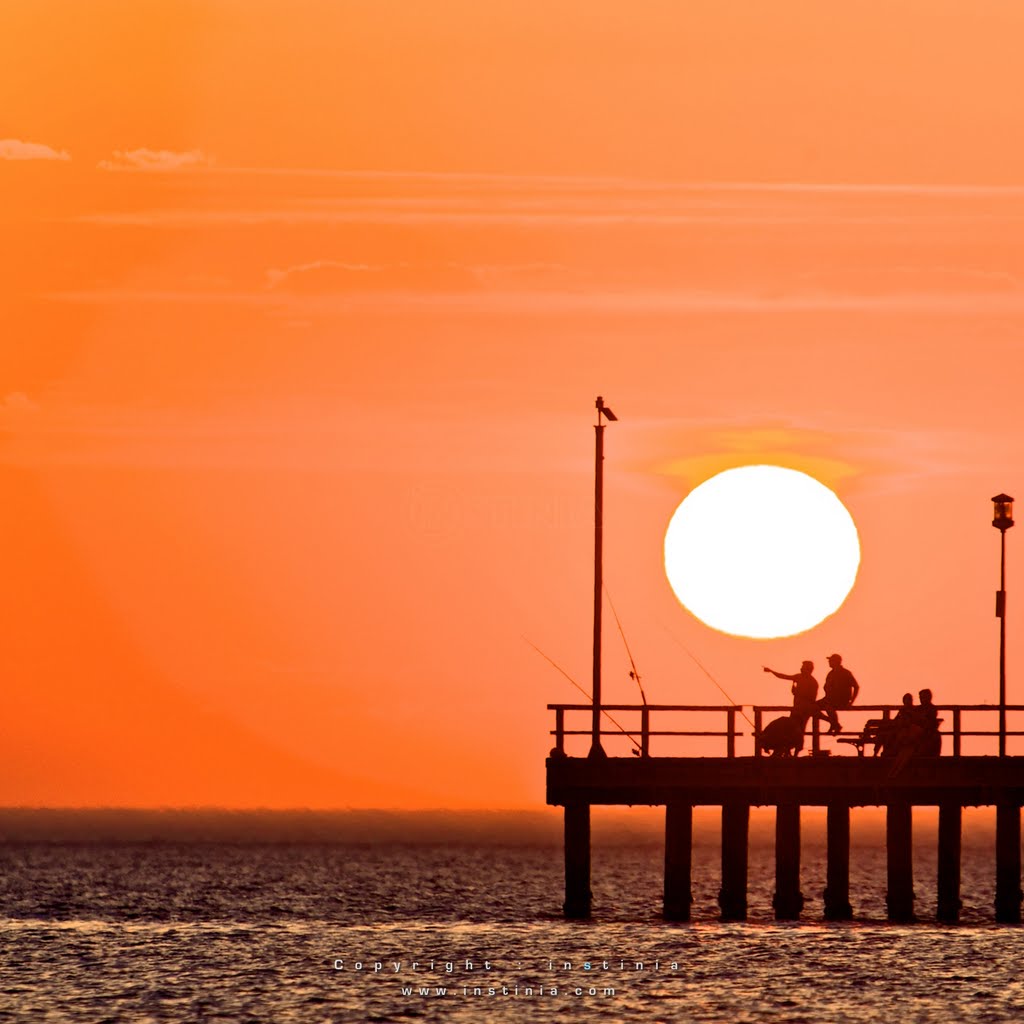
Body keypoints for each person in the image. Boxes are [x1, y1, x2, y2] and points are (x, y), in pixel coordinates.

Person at [763, 661, 818, 751]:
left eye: (803, 667)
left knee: (799, 731)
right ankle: (788, 750)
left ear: (808, 669)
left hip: (803, 712)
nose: (801, 668)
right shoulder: (798, 677)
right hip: (796, 709)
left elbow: (811, 699)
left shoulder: (812, 682)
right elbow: (783, 676)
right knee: (790, 730)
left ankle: (796, 751)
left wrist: (797, 693)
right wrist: (772, 671)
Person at [816, 653, 860, 736]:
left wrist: (851, 702)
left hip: (841, 700)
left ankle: (834, 724)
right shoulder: (831, 673)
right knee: (813, 707)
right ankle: (834, 723)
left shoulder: (845, 673)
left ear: (836, 662)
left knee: (827, 706)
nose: (829, 662)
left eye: (831, 661)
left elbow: (856, 687)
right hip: (829, 699)